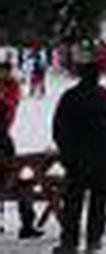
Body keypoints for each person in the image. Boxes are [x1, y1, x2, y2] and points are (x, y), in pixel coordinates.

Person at [52, 48, 106, 254]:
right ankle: (93, 240)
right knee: (98, 201)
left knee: (73, 202)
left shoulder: (70, 97)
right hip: (104, 157)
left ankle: (69, 243)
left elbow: (58, 128)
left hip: (77, 159)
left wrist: (66, 153)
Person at [0, 61, 43, 240]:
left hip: (4, 139)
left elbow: (10, 105)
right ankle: (27, 224)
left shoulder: (11, 87)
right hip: (4, 141)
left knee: (15, 174)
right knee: (22, 179)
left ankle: (26, 224)